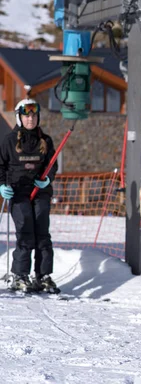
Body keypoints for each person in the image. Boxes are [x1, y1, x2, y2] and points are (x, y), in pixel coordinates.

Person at [0, 98, 58, 293]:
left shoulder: (45, 140)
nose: (31, 119)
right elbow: (1, 165)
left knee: (42, 234)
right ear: (19, 118)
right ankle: (20, 275)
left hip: (40, 192)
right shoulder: (9, 140)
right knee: (25, 232)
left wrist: (48, 179)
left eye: (34, 115)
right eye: (27, 116)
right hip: (18, 192)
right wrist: (2, 185)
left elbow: (52, 165)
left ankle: (43, 276)